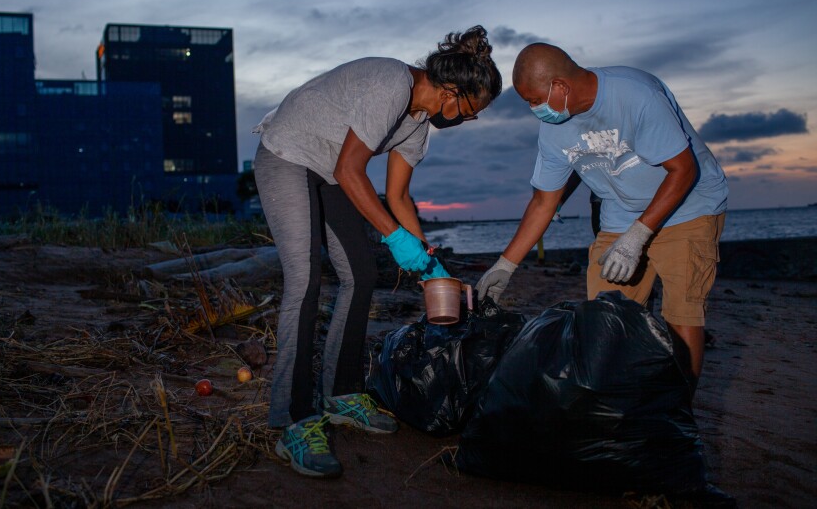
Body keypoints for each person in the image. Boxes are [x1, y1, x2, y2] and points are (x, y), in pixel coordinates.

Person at [253, 26, 502, 477]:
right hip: (287, 154)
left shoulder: (419, 125)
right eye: (472, 110)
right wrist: (395, 238)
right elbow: (352, 170)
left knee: (362, 274)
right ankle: (292, 419)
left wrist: (430, 264)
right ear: (452, 92)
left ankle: (342, 395)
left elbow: (399, 198)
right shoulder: (391, 84)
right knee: (305, 278)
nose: (470, 120)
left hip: (328, 172)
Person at [476, 42, 727, 394]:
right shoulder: (554, 130)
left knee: (681, 314)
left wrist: (639, 235)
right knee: (605, 317)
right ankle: (618, 400)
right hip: (619, 212)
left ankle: (679, 411)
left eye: (534, 100)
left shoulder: (637, 95)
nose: (533, 110)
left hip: (688, 207)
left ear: (560, 86)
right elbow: (543, 203)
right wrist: (504, 266)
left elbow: (683, 170)